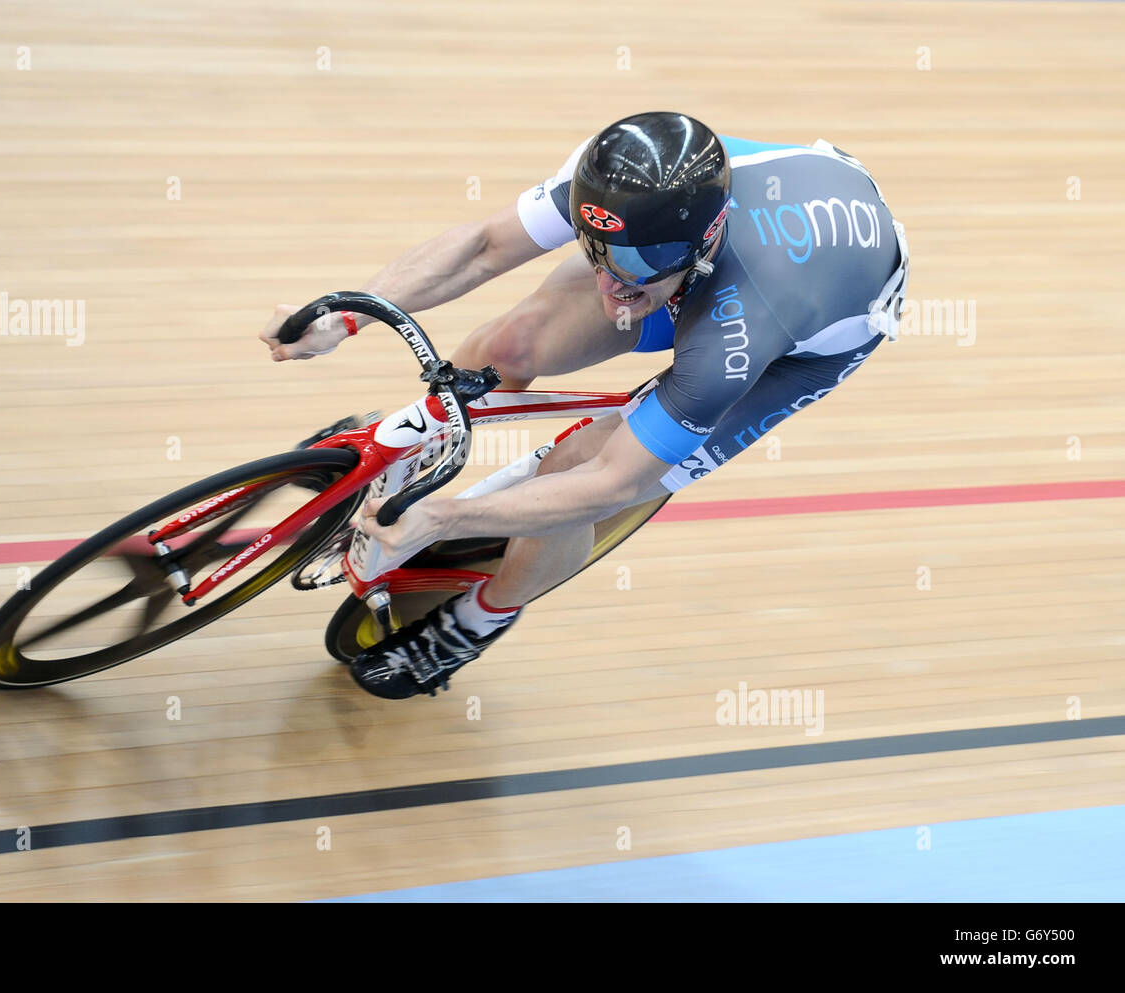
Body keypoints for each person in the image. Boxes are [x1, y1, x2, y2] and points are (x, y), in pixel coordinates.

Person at [261, 112, 909, 700]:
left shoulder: (736, 338)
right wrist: (342, 313)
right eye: (595, 251)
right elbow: (486, 247)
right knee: (512, 342)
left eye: (634, 269)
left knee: (574, 466)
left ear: (705, 241)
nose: (610, 285)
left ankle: (480, 617)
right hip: (742, 240)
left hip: (802, 326)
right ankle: (418, 452)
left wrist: (442, 518)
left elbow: (605, 485)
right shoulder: (613, 181)